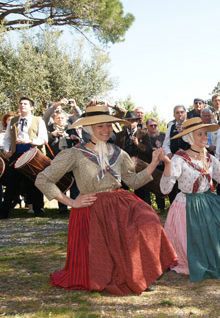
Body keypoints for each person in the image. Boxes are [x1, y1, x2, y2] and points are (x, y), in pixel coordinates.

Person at [35, 105, 177, 294]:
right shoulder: (74, 154)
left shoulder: (119, 153)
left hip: (119, 203)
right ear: (89, 128)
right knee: (102, 255)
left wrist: (152, 164)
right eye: (100, 126)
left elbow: (133, 182)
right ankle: (116, 276)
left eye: (109, 126)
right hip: (91, 208)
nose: (105, 130)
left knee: (149, 222)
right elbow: (43, 179)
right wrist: (72, 202)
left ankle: (139, 274)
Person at [160, 117, 220, 281]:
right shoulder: (179, 159)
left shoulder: (210, 158)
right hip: (187, 205)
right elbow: (165, 189)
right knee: (198, 239)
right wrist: (168, 166)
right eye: (199, 134)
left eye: (205, 134)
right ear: (190, 137)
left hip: (209, 200)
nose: (205, 137)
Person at [1, 97, 48, 218]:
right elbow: (6, 138)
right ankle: (4, 211)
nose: (22, 105)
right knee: (12, 183)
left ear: (31, 107)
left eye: (25, 104)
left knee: (34, 182)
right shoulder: (13, 121)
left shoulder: (38, 120)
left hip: (32, 155)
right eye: (21, 103)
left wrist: (29, 140)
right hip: (16, 154)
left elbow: (44, 139)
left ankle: (38, 209)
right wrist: (6, 149)